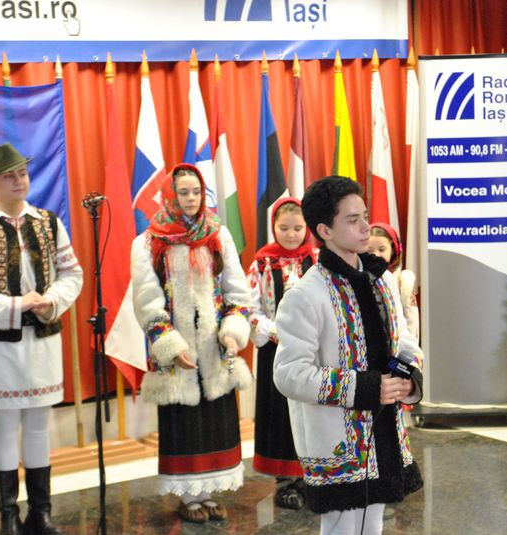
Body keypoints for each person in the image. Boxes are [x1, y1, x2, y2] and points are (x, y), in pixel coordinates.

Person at [273, 176, 424, 535]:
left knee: (373, 524)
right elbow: (288, 373)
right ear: (324, 230)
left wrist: (406, 378)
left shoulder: (381, 280)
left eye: (365, 216)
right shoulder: (305, 294)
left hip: (384, 428)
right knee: (342, 526)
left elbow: (402, 342)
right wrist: (367, 386)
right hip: (337, 438)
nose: (366, 227)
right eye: (352, 220)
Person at [0, 143, 83, 535]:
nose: (18, 181)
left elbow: (72, 273)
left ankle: (40, 513)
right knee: (6, 425)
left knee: (40, 425)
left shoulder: (48, 222)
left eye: (22, 173)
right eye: (8, 176)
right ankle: (8, 515)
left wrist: (52, 301)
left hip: (42, 341)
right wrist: (15, 305)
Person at [131, 163, 252, 523]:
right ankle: (188, 497)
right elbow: (147, 301)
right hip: (178, 352)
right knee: (183, 425)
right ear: (170, 196)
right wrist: (169, 344)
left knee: (215, 423)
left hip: (214, 350)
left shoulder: (218, 235)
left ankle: (208, 492)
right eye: (183, 192)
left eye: (196, 192)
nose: (190, 198)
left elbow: (237, 291)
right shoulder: (149, 241)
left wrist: (232, 332)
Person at [246, 197, 316, 509]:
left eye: (297, 228)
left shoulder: (317, 260)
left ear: (307, 228)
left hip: (313, 352)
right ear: (273, 226)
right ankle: (285, 481)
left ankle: (310, 477)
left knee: (311, 414)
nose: (291, 234)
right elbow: (251, 307)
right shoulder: (262, 263)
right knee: (281, 416)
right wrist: (276, 330)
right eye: (284, 228)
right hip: (277, 351)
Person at [368, 223, 419, 340]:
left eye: (382, 249)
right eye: (370, 250)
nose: (376, 255)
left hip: (399, 344)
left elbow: (411, 321)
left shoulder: (403, 280)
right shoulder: (360, 277)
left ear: (392, 249)